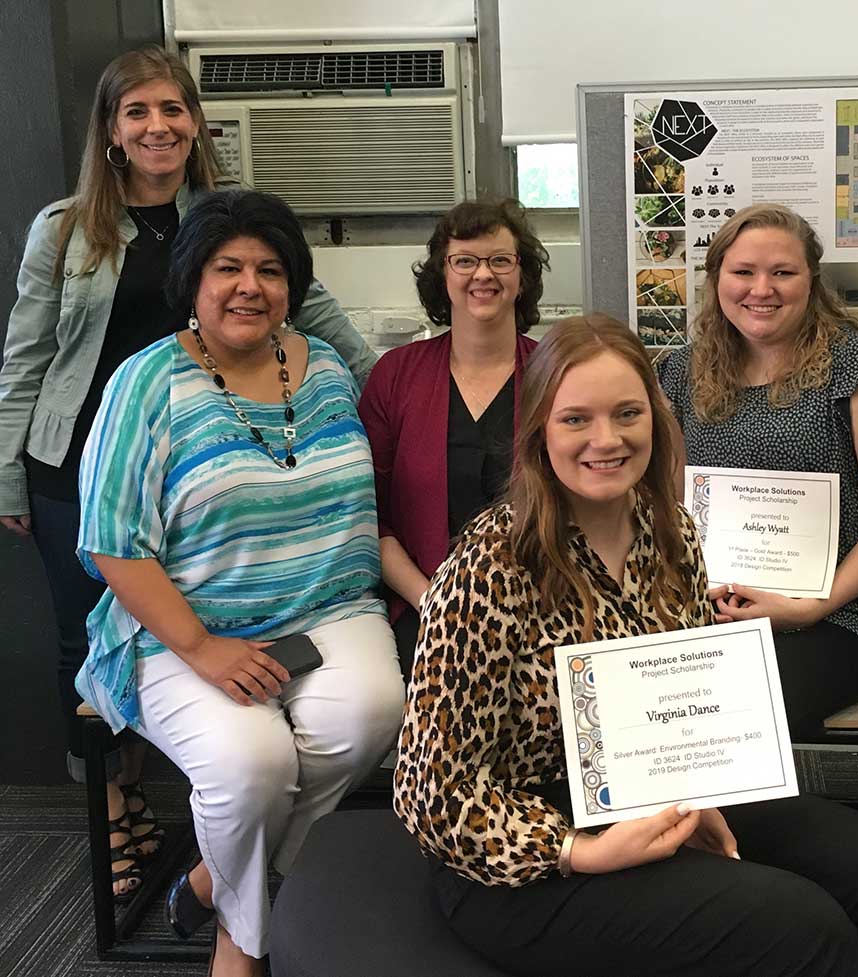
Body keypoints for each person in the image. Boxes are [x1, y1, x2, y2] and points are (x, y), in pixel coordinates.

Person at [395, 314, 858, 977]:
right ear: (538, 433)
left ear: (655, 419)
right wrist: (584, 850)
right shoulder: (488, 566)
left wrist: (701, 796)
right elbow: (429, 794)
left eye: (626, 413)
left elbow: (683, 702)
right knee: (800, 927)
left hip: (645, 793)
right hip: (519, 853)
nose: (606, 439)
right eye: (576, 419)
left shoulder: (669, 531)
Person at [0, 46, 376, 903]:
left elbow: (314, 312)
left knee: (191, 622)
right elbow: (25, 357)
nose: (158, 125)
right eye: (137, 112)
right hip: (77, 464)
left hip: (210, 459)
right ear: (112, 131)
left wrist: (391, 387)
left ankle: (215, 810)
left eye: (173, 108)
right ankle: (116, 796)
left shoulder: (231, 218)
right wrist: (5, 475)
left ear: (195, 123)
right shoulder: (66, 228)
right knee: (90, 642)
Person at [75, 189, 405, 977]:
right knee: (253, 766)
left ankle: (217, 884)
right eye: (227, 267)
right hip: (182, 623)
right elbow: (113, 544)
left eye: (268, 269)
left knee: (369, 715)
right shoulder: (144, 383)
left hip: (329, 606)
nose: (248, 286)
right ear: (193, 279)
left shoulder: (324, 367)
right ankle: (247, 940)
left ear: (293, 285)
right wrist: (203, 648)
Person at [658, 204, 858, 737]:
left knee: (727, 715)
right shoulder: (680, 370)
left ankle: (747, 825)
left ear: (811, 280)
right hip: (717, 605)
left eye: (783, 272)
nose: (762, 289)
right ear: (717, 279)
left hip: (843, 616)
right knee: (644, 703)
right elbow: (672, 502)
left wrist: (806, 608)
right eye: (744, 272)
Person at [358, 198, 549, 676]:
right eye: (465, 261)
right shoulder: (395, 376)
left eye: (499, 260)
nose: (482, 275)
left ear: (521, 276)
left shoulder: (555, 373)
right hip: (424, 602)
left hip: (541, 603)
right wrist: (434, 602)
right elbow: (369, 514)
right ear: (442, 276)